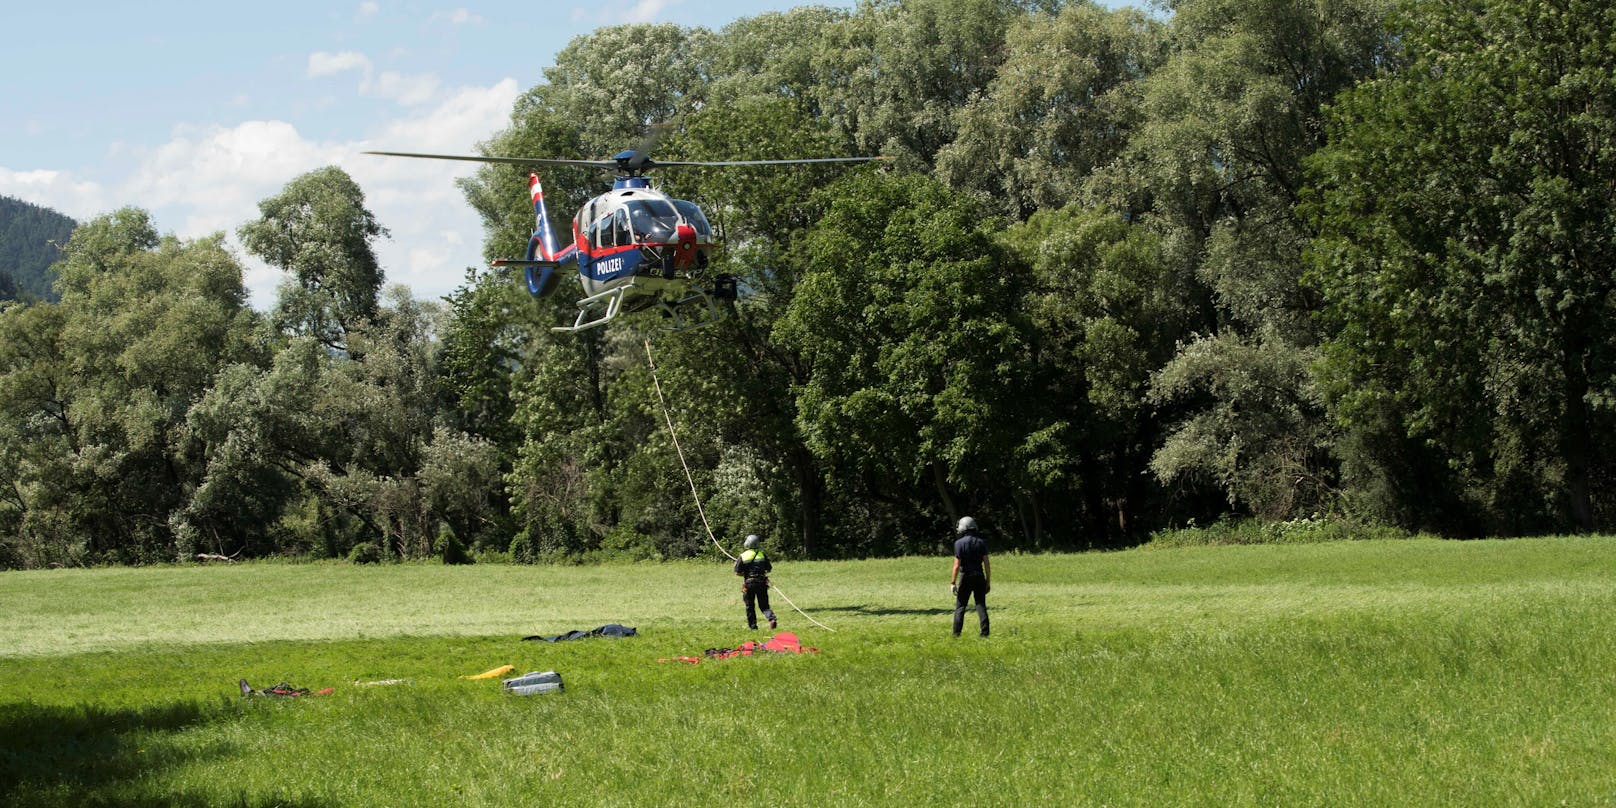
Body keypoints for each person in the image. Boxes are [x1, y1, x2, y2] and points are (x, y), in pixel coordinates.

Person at [950, 516, 990, 637]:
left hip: (966, 576)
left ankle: (956, 634)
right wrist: (988, 581)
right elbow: (987, 564)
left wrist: (953, 582)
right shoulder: (981, 542)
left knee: (961, 606)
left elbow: (956, 565)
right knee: (980, 604)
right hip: (979, 576)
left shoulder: (958, 544)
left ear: (963, 527)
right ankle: (984, 633)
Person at [734, 534, 777, 630]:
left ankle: (753, 627)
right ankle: (771, 618)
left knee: (750, 606)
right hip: (761, 583)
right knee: (764, 606)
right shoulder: (762, 554)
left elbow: (737, 572)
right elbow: (768, 569)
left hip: (749, 583)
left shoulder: (743, 556)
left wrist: (745, 573)